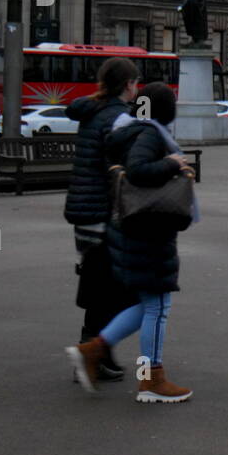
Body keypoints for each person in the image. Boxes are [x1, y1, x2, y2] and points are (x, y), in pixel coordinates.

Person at [67, 82, 196, 403]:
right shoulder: (150, 134)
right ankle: (151, 378)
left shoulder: (130, 130)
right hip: (148, 232)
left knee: (146, 305)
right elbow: (138, 171)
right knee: (158, 306)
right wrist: (173, 164)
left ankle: (93, 350)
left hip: (134, 229)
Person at [63, 58, 140, 381]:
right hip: (105, 213)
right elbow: (120, 171)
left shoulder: (92, 112)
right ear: (127, 86)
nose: (138, 89)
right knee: (113, 288)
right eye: (135, 83)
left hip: (84, 212)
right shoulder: (118, 119)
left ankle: (100, 354)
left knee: (101, 284)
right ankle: (90, 353)